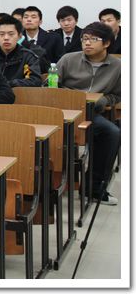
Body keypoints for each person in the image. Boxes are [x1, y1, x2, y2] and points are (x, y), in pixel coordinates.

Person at [57, 22, 120, 205]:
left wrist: (103, 101)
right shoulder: (68, 59)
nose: (87, 43)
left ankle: (94, 187)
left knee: (112, 133)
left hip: (90, 113)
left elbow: (117, 95)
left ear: (107, 43)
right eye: (84, 38)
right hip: (62, 111)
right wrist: (70, 97)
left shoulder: (118, 66)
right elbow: (51, 86)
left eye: (93, 39)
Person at [0, 14, 43, 87]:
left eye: (11, 34)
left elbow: (35, 80)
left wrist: (8, 84)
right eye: (2, 34)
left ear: (19, 36)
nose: (6, 38)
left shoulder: (28, 57)